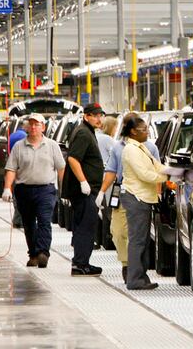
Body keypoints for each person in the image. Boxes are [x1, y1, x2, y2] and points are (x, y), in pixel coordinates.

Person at [96, 112, 162, 283]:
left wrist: (159, 192)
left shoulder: (150, 147)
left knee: (137, 236)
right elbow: (111, 171)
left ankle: (132, 268)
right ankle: (129, 265)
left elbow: (156, 169)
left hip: (141, 194)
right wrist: (102, 191)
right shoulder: (118, 147)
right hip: (122, 192)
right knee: (118, 232)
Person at [2, 114, 65, 268]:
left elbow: (61, 168)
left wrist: (64, 190)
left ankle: (43, 252)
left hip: (46, 190)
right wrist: (7, 188)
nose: (33, 127)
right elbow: (11, 169)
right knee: (29, 224)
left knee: (44, 221)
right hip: (24, 190)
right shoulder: (18, 146)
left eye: (37, 124)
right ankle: (33, 254)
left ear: (43, 127)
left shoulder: (52, 146)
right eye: (31, 124)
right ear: (27, 127)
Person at [119, 114, 168, 290]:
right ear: (133, 131)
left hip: (143, 198)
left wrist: (174, 171)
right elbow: (145, 174)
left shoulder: (141, 147)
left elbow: (155, 165)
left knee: (143, 240)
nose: (147, 132)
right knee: (137, 240)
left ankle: (141, 276)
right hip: (136, 197)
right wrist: (166, 177)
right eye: (143, 129)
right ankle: (134, 279)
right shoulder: (130, 150)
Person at [62, 103, 106, 277]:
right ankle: (80, 264)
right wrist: (83, 182)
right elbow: (73, 158)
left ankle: (82, 262)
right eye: (95, 115)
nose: (98, 118)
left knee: (85, 225)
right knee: (85, 227)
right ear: (86, 116)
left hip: (88, 190)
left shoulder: (87, 131)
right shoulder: (83, 133)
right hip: (84, 191)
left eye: (100, 115)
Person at [8, 119, 30, 229]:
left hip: (12, 166)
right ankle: (18, 220)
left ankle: (17, 220)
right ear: (26, 128)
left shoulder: (12, 135)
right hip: (22, 168)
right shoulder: (24, 137)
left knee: (16, 195)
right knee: (22, 197)